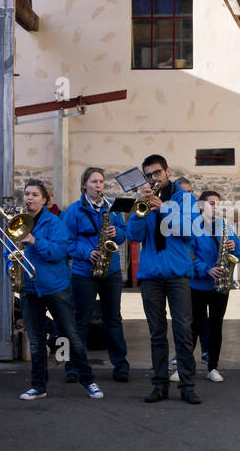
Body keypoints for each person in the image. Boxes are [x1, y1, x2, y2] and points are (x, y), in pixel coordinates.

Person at [11, 179, 102, 400]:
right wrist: (10, 262)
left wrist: (34, 241)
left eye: (34, 195)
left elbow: (60, 252)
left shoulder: (54, 222)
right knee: (36, 340)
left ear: (44, 200)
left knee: (71, 334)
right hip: (30, 287)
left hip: (55, 286)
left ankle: (88, 380)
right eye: (27, 194)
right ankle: (38, 386)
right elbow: (10, 251)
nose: (29, 198)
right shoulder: (17, 222)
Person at [127, 154, 202, 404]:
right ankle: (159, 384)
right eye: (148, 175)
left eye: (157, 173)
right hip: (151, 275)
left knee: (183, 330)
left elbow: (192, 230)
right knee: (156, 333)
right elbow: (134, 236)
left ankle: (187, 385)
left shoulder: (185, 198)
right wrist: (139, 210)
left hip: (178, 273)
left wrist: (165, 207)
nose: (153, 178)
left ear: (168, 171)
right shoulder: (144, 200)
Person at [63, 168, 130, 383]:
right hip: (84, 271)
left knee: (114, 319)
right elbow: (67, 243)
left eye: (101, 182)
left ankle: (120, 365)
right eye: (94, 182)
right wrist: (86, 253)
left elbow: (123, 234)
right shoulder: (73, 211)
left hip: (110, 271)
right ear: (84, 185)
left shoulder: (112, 208)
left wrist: (116, 233)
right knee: (79, 321)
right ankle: (72, 366)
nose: (98, 185)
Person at [189, 190, 240, 383]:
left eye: (218, 203)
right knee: (193, 326)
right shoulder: (193, 227)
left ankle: (213, 367)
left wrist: (233, 247)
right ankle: (185, 366)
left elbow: (239, 252)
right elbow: (189, 256)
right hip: (199, 284)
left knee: (216, 326)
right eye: (211, 203)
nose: (216, 207)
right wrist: (206, 269)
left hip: (221, 284)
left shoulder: (225, 225)